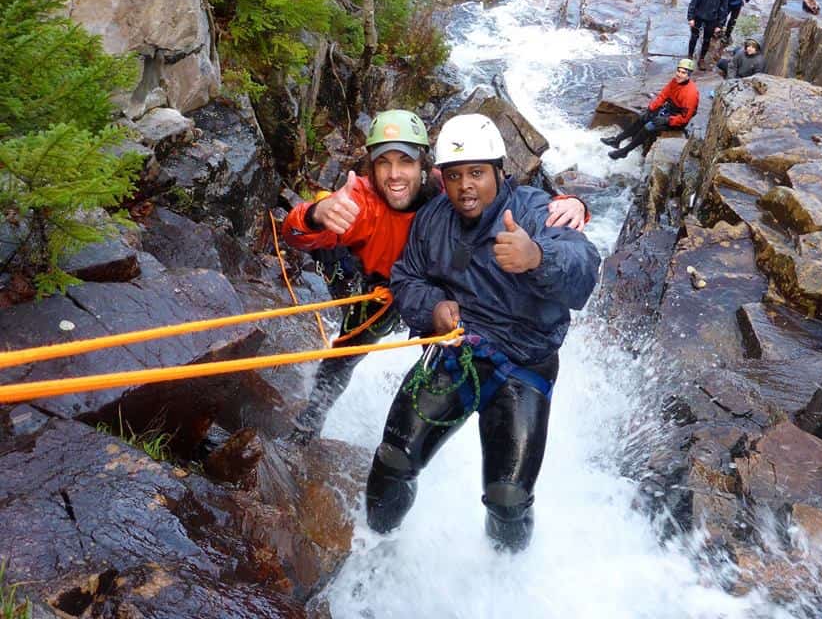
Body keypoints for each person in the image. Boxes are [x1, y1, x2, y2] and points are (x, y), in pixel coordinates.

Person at [364, 114, 601, 551]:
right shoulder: (433, 218)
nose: (465, 186)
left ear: (499, 172)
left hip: (522, 365)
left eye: (476, 173)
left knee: (507, 498)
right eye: (454, 176)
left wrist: (536, 257)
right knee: (394, 458)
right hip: (456, 352)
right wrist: (433, 309)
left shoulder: (536, 211)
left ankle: (505, 574)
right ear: (441, 178)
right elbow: (407, 279)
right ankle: (373, 546)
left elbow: (584, 270)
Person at [280, 110, 587, 438]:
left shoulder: (451, 189)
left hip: (441, 289)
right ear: (372, 167)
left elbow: (512, 200)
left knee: (442, 363)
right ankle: (311, 418)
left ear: (425, 166)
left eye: (406, 162)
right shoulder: (358, 201)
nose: (395, 175)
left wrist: (572, 203)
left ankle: (427, 423)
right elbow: (297, 236)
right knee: (347, 351)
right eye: (384, 163)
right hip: (383, 290)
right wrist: (313, 214)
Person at [601, 58, 699, 160]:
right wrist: (651, 109)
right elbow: (663, 95)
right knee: (643, 117)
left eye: (683, 73)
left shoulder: (690, 94)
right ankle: (617, 140)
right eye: (678, 71)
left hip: (677, 120)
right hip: (670, 110)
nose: (679, 74)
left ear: (689, 75)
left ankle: (624, 152)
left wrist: (667, 120)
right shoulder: (675, 81)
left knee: (649, 126)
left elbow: (685, 118)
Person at [687, 0, 729, 71]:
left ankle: (701, 59)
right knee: (694, 37)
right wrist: (691, 17)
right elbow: (693, 3)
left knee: (707, 40)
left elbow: (723, 10)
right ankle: (689, 56)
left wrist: (720, 25)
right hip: (699, 16)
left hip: (712, 19)